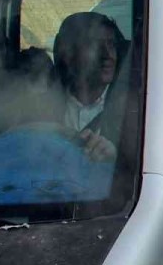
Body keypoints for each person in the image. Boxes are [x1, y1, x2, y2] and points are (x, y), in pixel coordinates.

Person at [49, 11, 124, 161]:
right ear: (69, 53)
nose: (108, 55)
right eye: (95, 45)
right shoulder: (43, 104)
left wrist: (114, 159)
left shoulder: (132, 109)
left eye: (111, 44)